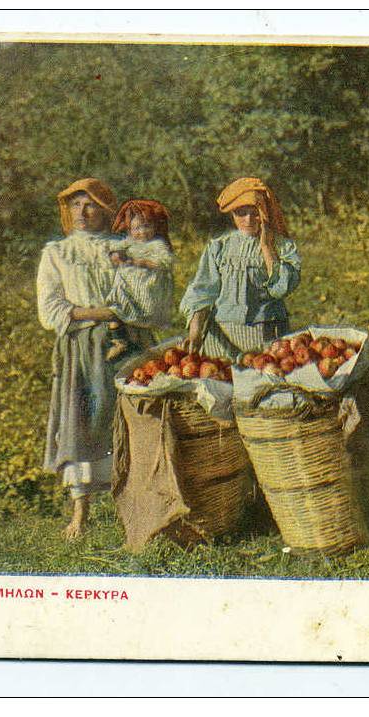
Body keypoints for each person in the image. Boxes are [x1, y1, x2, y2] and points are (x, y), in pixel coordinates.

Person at [36, 178, 173, 540]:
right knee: (84, 424)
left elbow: (151, 291)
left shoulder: (127, 246)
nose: (82, 212)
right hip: (83, 347)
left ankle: (138, 506)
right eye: (75, 205)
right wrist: (102, 312)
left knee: (133, 423)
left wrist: (134, 302)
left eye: (91, 204)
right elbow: (51, 310)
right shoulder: (58, 252)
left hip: (129, 342)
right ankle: (80, 515)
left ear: (108, 210)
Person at [180, 177, 301, 359]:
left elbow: (281, 288)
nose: (248, 219)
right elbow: (203, 291)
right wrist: (195, 333)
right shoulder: (219, 246)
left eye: (255, 213)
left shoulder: (281, 247)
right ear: (232, 214)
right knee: (219, 380)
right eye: (240, 213)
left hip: (264, 334)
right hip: (222, 335)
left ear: (265, 212)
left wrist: (266, 248)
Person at [105, 199, 176, 361]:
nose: (142, 232)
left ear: (154, 227)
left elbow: (165, 261)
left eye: (147, 226)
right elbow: (115, 248)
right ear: (129, 229)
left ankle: (144, 348)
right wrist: (115, 255)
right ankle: (118, 340)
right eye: (137, 228)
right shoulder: (130, 241)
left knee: (140, 319)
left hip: (146, 286)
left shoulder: (157, 244)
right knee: (115, 306)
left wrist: (140, 262)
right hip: (127, 286)